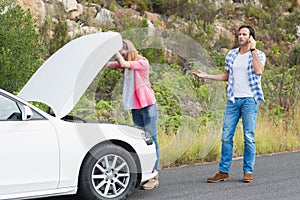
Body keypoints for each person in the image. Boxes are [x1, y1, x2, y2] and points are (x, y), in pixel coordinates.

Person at [192, 25, 266, 183]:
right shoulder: (232, 55)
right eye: (239, 34)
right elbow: (226, 76)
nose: (240, 37)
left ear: (251, 37)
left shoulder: (259, 54)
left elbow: (259, 71)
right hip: (233, 100)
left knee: (249, 137)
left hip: (249, 100)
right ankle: (223, 171)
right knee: (226, 137)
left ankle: (248, 171)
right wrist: (206, 76)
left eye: (244, 34)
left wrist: (253, 50)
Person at [105, 39, 160, 189]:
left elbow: (122, 63)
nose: (121, 57)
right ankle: (146, 174)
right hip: (136, 107)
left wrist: (114, 49)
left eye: (122, 53)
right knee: (140, 140)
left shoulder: (142, 62)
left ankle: (154, 177)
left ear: (128, 51)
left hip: (148, 106)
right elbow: (111, 65)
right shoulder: (128, 64)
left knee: (151, 139)